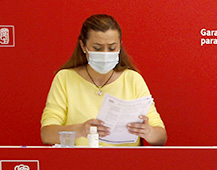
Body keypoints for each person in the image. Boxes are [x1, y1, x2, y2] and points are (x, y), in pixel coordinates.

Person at [41, 14, 167, 146]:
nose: (105, 53)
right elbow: (47, 135)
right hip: (77, 162)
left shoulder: (132, 79)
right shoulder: (65, 78)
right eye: (97, 48)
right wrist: (80, 130)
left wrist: (148, 132)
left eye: (112, 48)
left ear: (120, 46)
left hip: (125, 162)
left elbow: (161, 137)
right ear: (83, 46)